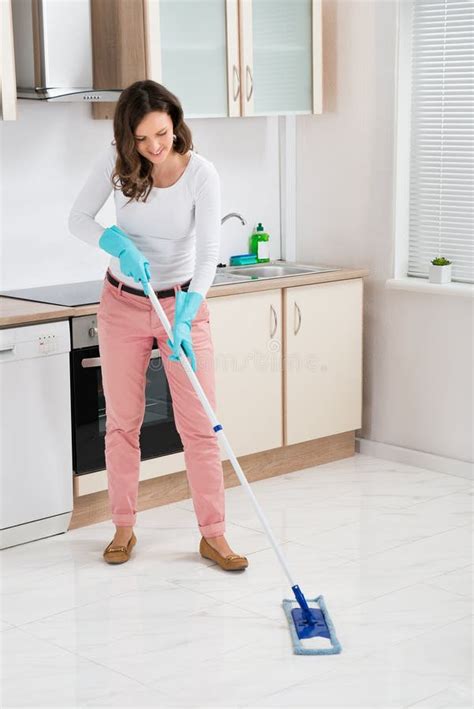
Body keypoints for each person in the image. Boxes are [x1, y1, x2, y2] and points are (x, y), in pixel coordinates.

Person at [68, 80, 248, 571]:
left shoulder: (201, 174)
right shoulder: (116, 161)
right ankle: (123, 528)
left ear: (176, 123)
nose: (153, 147)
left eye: (161, 134)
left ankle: (214, 535)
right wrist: (116, 243)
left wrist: (188, 316)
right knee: (123, 423)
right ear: (128, 137)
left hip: (181, 302)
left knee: (200, 424)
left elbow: (209, 252)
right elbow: (78, 218)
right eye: (142, 138)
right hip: (123, 301)